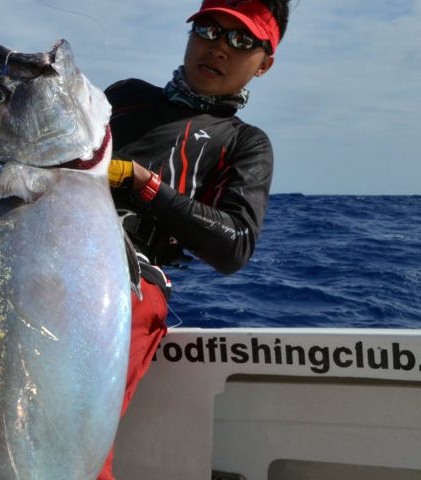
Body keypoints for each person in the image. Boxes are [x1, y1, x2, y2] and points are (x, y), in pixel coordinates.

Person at [100, 0, 292, 478]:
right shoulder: (124, 96)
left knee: (69, 438)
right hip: (46, 255)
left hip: (128, 287)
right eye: (209, 29)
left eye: (242, 40)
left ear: (264, 63)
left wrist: (144, 185)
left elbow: (235, 245)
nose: (219, 48)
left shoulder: (245, 142)